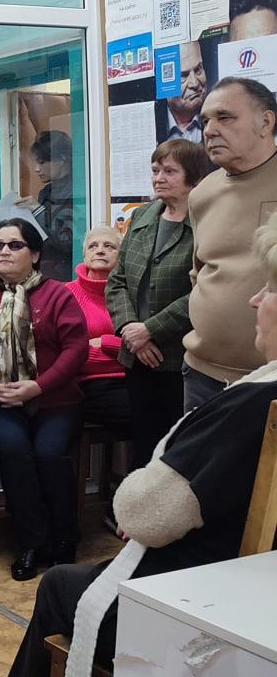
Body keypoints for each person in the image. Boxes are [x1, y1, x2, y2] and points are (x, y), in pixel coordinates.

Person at [0, 212, 277, 677]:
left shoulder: (253, 403)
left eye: (269, 288)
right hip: (252, 586)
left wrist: (137, 499)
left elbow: (144, 512)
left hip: (201, 598)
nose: (254, 299)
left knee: (62, 585)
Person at [0, 218, 87, 582]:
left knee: (50, 454)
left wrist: (39, 386)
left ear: (34, 254)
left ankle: (64, 538)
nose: (4, 251)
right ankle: (31, 543)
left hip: (54, 398)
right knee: (15, 451)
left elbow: (76, 349)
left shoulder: (58, 295)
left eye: (14, 245)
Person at [107, 138, 209, 475]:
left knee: (177, 447)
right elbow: (117, 281)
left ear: (193, 176)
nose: (158, 178)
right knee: (144, 443)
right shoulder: (143, 215)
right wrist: (131, 331)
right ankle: (137, 506)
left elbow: (203, 289)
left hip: (181, 356)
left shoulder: (206, 222)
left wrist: (150, 330)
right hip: (137, 354)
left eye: (169, 171)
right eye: (155, 170)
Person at [183, 77, 277, 411]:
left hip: (268, 378)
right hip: (202, 374)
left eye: (225, 117)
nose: (210, 130)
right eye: (206, 120)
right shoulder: (202, 193)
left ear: (265, 122)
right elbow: (199, 272)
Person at [63, 226, 130, 434]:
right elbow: (66, 355)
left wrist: (104, 342)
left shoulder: (132, 294)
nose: (100, 250)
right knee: (149, 418)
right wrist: (124, 353)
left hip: (135, 379)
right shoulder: (65, 295)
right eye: (93, 246)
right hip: (87, 385)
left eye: (109, 246)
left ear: (122, 256)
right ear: (84, 256)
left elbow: (148, 347)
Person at [29, 130, 75, 281]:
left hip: (67, 274)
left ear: (62, 159)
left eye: (42, 162)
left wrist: (38, 211)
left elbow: (67, 242)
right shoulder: (46, 192)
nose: (36, 169)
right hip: (46, 270)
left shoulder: (78, 191)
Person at [153, 41, 206, 145]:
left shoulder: (219, 121)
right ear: (162, 83)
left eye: (198, 69)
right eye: (183, 76)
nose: (194, 83)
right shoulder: (150, 125)